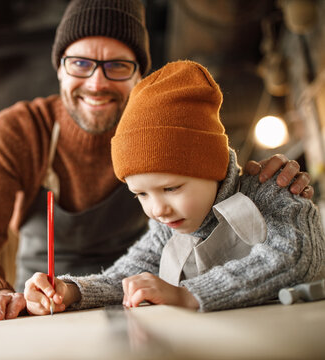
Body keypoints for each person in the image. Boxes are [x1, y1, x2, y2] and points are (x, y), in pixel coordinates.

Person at [0, 0, 314, 324]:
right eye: (80, 63)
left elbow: (285, 246)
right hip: (55, 302)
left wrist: (186, 292)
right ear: (59, 68)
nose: (97, 82)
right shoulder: (20, 132)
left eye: (117, 66)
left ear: (138, 75)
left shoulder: (172, 133)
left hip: (149, 302)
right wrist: (8, 298)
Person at [24, 61, 325, 315]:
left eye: (171, 188)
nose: (157, 209)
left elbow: (294, 257)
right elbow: (127, 277)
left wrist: (187, 295)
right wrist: (71, 291)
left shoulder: (269, 194)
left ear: (214, 168)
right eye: (141, 194)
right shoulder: (167, 228)